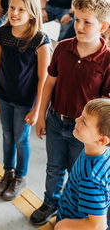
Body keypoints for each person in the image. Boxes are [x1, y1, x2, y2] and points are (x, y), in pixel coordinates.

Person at [30, 0, 110, 226]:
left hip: (85, 132)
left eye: (87, 22)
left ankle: (79, 215)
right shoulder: (63, 48)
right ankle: (50, 202)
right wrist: (41, 114)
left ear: (103, 26)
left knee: (78, 174)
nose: (79, 26)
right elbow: (49, 83)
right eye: (76, 19)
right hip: (56, 120)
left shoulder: (106, 61)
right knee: (54, 167)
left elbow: (105, 109)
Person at [0, 0, 51, 201]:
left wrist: (37, 109)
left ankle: (21, 176)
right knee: (7, 135)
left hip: (26, 101)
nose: (14, 13)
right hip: (4, 96)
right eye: (12, 8)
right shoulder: (2, 32)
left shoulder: (40, 40)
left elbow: (43, 78)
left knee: (20, 139)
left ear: (32, 13)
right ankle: (8, 172)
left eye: (21, 10)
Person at [55, 98, 110, 230]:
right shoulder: (100, 152)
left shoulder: (90, 178)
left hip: (73, 222)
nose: (76, 120)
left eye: (84, 122)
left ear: (101, 140)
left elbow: (97, 225)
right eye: (81, 115)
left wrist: (63, 225)